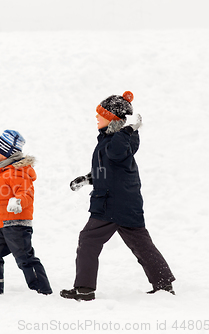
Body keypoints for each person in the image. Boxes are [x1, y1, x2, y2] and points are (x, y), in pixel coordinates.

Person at [60, 91, 175, 301]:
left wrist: (127, 128)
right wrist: (88, 179)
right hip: (124, 204)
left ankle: (84, 290)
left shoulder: (119, 141)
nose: (96, 117)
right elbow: (109, 171)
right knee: (141, 244)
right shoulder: (111, 141)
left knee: (88, 239)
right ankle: (163, 284)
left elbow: (115, 153)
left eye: (101, 114)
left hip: (111, 205)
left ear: (113, 119)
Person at [0, 130, 52, 295]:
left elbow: (26, 194)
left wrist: (18, 201)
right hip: (2, 223)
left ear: (5, 153)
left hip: (17, 224)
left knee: (24, 258)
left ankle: (42, 289)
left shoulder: (17, 171)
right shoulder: (2, 171)